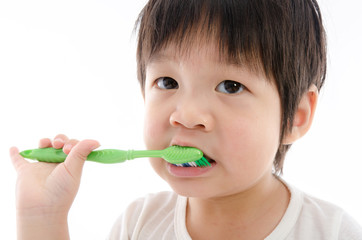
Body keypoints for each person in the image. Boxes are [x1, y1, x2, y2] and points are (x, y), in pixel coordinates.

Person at [9, 0, 362, 239]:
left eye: (230, 86)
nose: (186, 115)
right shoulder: (139, 225)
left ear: (296, 116)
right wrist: (43, 220)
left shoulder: (332, 232)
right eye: (168, 82)